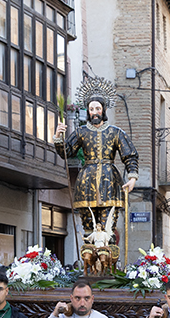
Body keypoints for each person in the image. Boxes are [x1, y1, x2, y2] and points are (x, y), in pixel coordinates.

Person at [54, 94, 140, 241]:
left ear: (104, 110)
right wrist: (58, 136)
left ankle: (109, 258)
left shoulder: (115, 132)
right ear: (88, 111)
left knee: (108, 228)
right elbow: (66, 152)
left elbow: (130, 154)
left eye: (98, 108)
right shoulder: (81, 132)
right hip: (87, 182)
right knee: (89, 229)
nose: (94, 112)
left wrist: (132, 177)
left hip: (110, 182)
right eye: (91, 109)